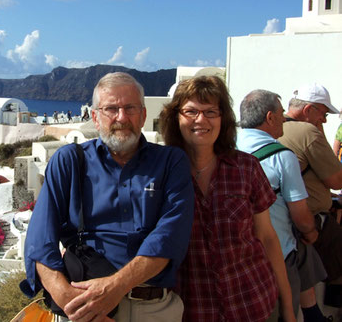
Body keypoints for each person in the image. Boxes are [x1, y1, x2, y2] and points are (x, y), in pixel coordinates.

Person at [20, 72, 195, 322]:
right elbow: (39, 241)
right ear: (95, 117)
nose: (121, 118)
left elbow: (169, 238)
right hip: (81, 305)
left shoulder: (170, 163)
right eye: (111, 109)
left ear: (143, 115)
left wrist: (114, 288)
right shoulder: (69, 161)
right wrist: (73, 304)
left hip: (151, 309)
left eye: (130, 108)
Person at [159, 76, 296, 321]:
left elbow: (267, 237)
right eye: (191, 111)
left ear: (223, 119)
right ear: (175, 117)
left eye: (211, 111)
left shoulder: (246, 167)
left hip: (251, 303)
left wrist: (288, 306)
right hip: (190, 310)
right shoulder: (161, 174)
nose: (201, 119)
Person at [237, 89, 328, 321]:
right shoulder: (281, 156)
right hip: (275, 254)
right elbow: (300, 214)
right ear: (270, 118)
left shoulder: (227, 148)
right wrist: (311, 232)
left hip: (238, 254)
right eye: (281, 116)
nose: (284, 121)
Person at [278, 83, 342, 309]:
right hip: (307, 219)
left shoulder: (274, 128)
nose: (324, 120)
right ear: (308, 110)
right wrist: (319, 132)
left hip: (279, 219)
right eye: (323, 114)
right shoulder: (307, 132)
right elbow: (337, 179)